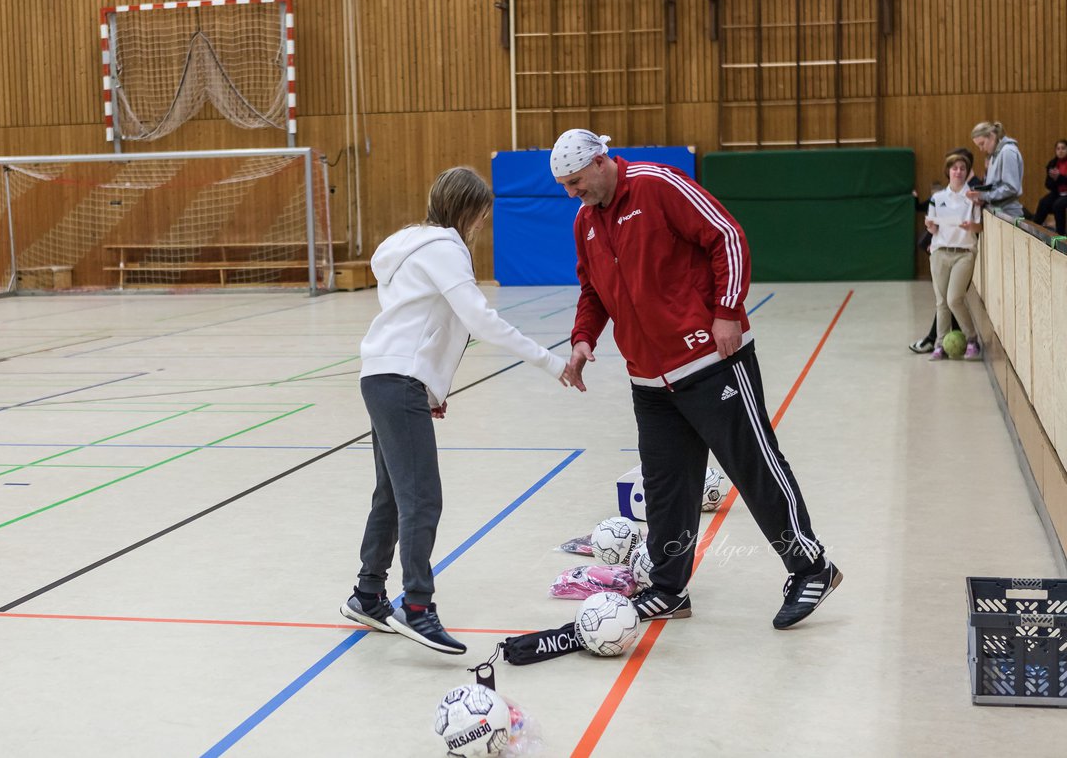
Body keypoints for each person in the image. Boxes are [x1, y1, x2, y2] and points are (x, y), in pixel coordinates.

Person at [551, 129, 839, 630]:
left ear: (600, 162)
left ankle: (811, 567)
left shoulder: (657, 185)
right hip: (648, 380)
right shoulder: (585, 222)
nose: (572, 194)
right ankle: (667, 588)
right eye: (565, 186)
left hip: (711, 361)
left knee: (754, 466)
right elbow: (592, 291)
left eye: (576, 182)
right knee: (667, 486)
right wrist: (582, 340)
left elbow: (727, 237)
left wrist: (727, 310)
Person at [339, 166, 581, 655]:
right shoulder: (446, 249)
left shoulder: (410, 246)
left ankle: (368, 595)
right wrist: (552, 362)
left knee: (392, 494)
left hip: (383, 377)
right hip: (397, 380)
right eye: (482, 215)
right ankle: (418, 608)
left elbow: (428, 321)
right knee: (421, 498)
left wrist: (431, 387)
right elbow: (480, 320)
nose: (482, 225)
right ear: (469, 210)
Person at [908, 147, 980, 354]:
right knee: (942, 302)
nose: (958, 171)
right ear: (948, 171)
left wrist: (971, 227)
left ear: (967, 172)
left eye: (962, 168)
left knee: (954, 299)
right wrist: (930, 227)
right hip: (940, 251)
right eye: (955, 168)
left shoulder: (972, 198)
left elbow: (979, 226)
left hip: (964, 252)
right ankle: (939, 344)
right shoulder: (937, 198)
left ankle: (972, 339)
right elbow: (932, 227)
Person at [967, 121, 1026, 216]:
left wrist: (983, 195)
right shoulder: (994, 155)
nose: (981, 149)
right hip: (998, 211)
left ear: (991, 136)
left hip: (1008, 213)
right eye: (979, 146)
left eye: (982, 144)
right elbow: (994, 186)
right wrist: (982, 198)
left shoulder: (1008, 151)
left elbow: (1011, 188)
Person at [1032, 138, 1067, 236]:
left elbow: (1063, 179)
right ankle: (1035, 229)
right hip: (1058, 193)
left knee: (1058, 205)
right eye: (1058, 149)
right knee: (1043, 202)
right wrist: (1054, 179)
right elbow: (1047, 184)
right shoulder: (1052, 164)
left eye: (1063, 148)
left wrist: (1060, 177)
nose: (1060, 151)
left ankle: (1061, 234)